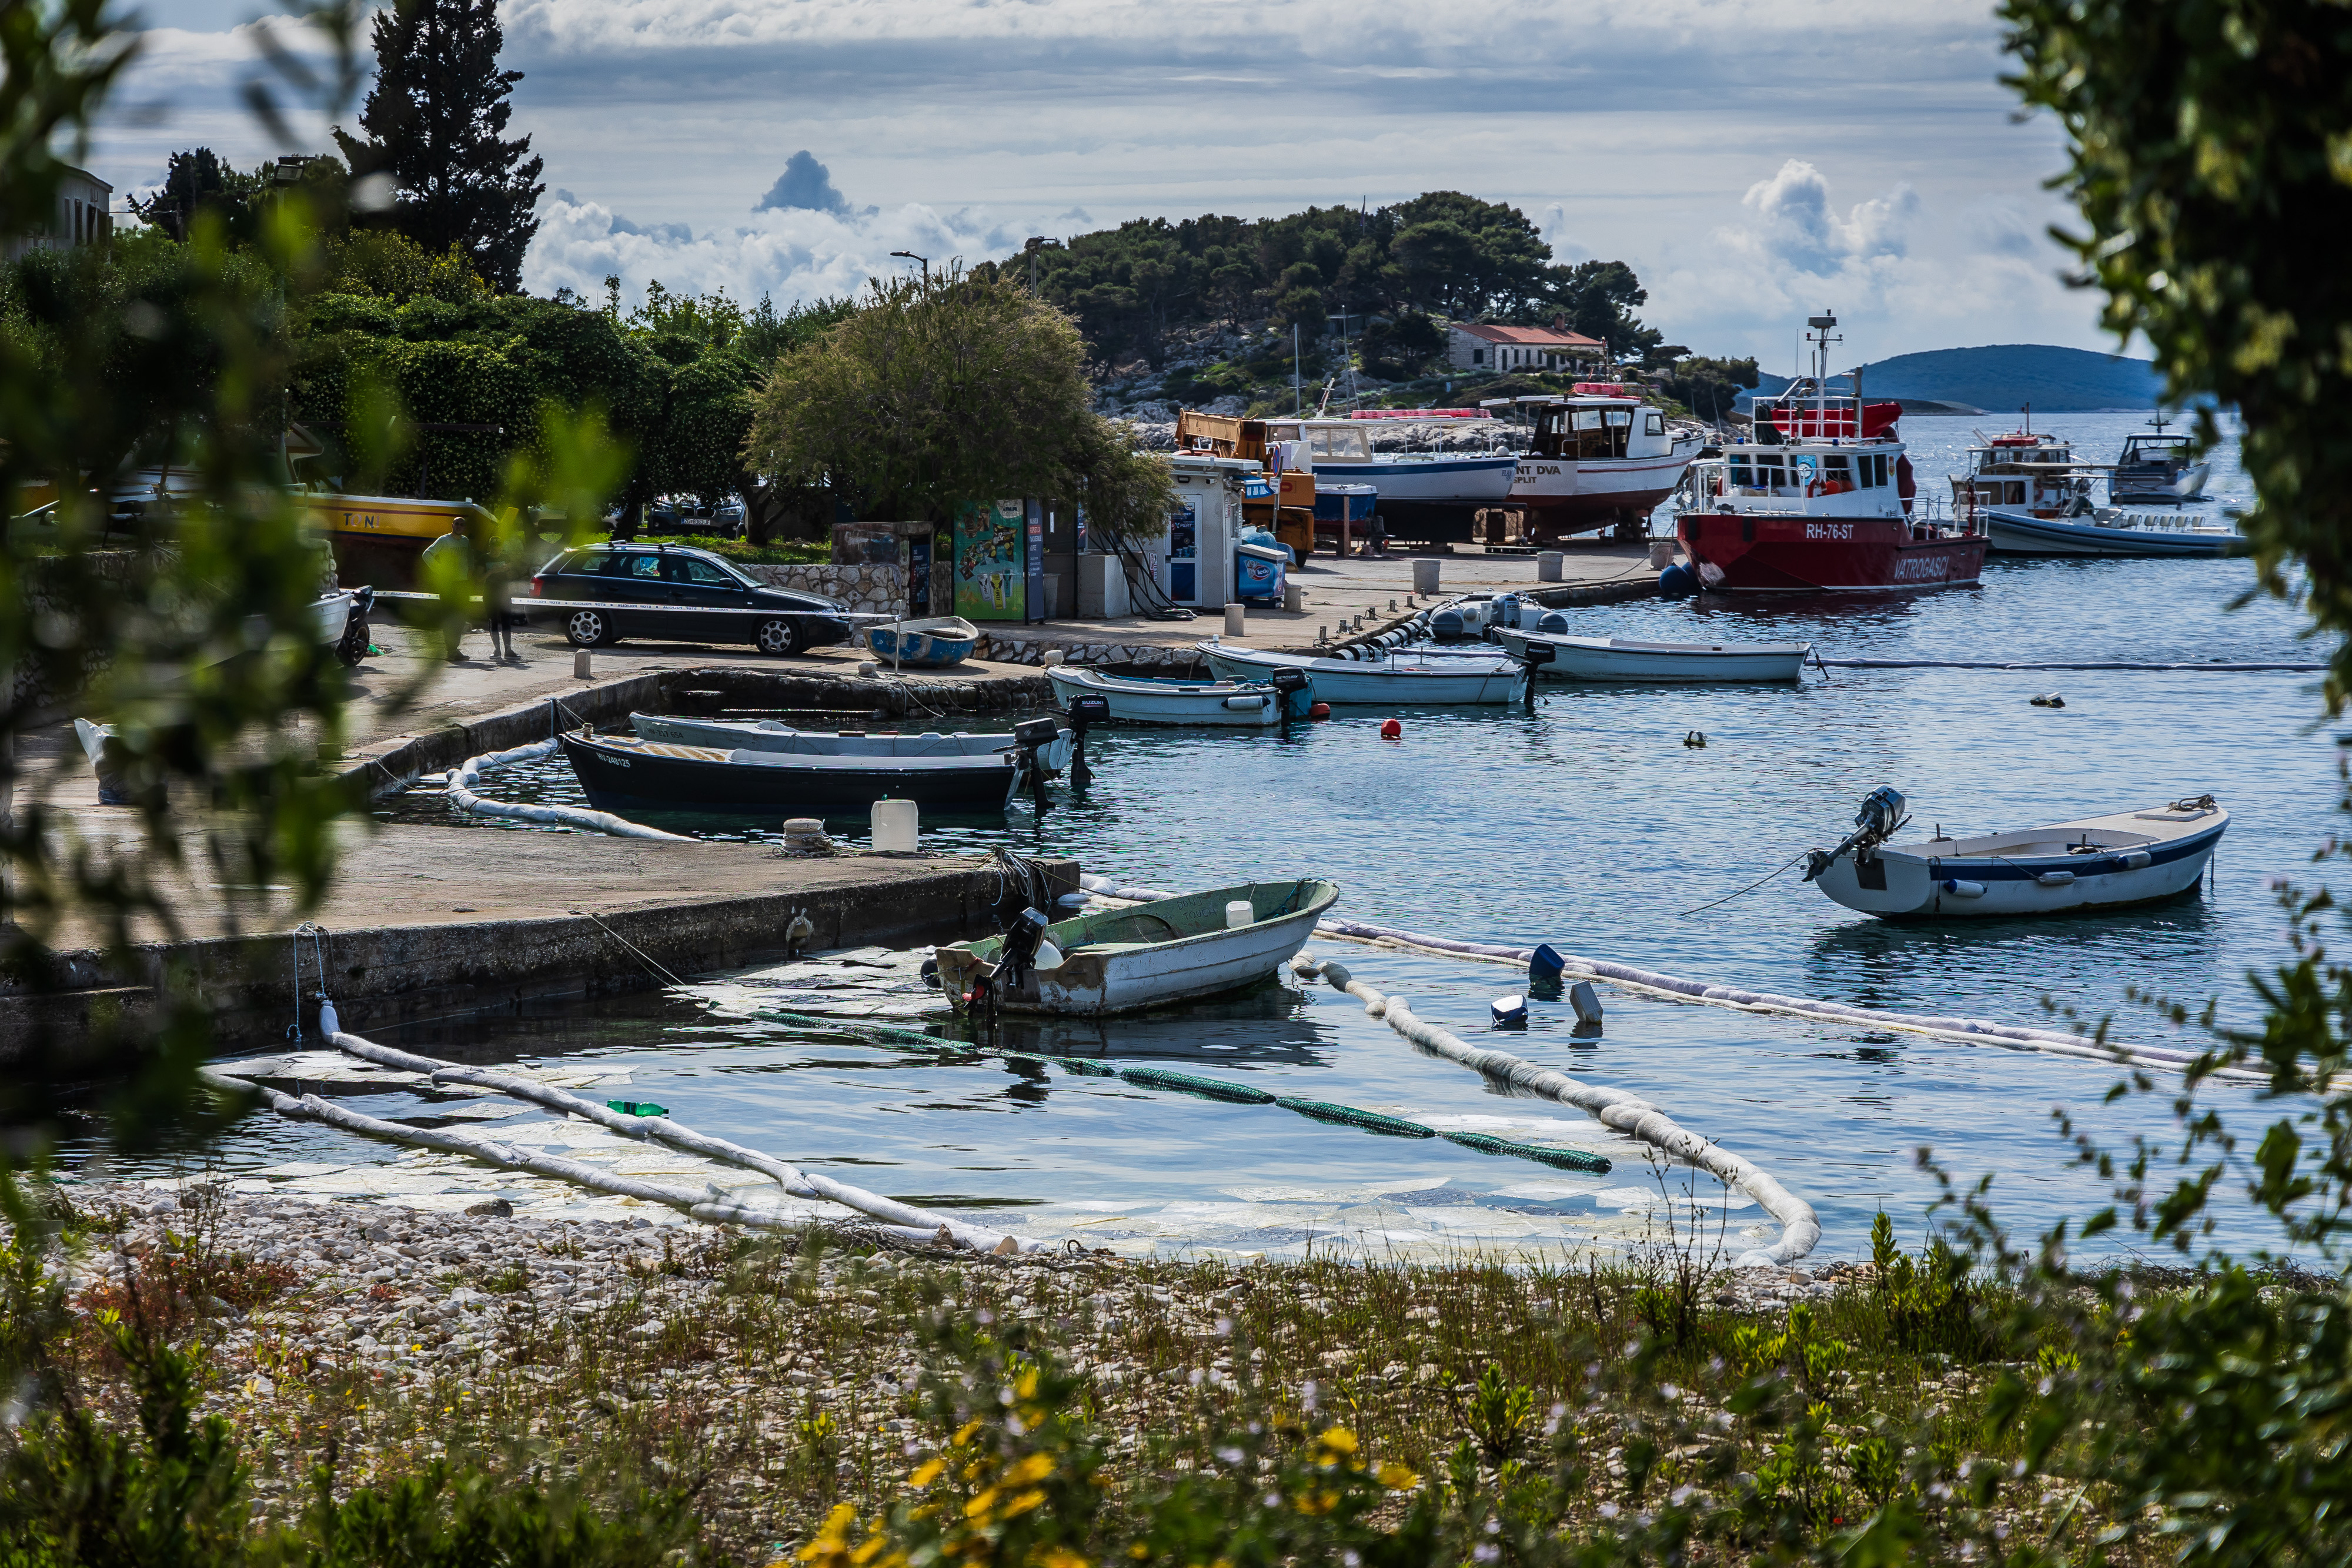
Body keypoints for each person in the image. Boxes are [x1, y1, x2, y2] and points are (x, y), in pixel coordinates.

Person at [418, 514, 474, 663]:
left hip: (462, 584)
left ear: (464, 527)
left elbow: (469, 559)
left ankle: (455, 649)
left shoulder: (465, 541)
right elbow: (427, 554)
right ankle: (451, 651)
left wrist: (471, 571)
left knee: (460, 618)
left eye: (462, 525)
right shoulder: (444, 540)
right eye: (457, 524)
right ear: (452, 525)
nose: (459, 527)